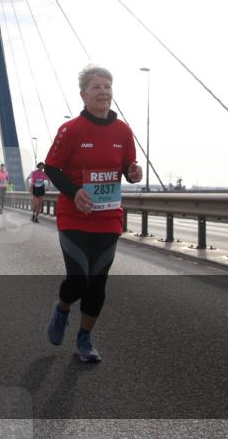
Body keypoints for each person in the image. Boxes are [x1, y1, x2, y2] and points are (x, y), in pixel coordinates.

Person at [43, 65, 142, 363]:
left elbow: (128, 166)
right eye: (97, 87)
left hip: (108, 217)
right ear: (84, 95)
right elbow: (52, 168)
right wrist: (75, 192)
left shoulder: (123, 130)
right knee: (79, 279)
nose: (103, 92)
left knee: (97, 282)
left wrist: (133, 172)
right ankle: (62, 309)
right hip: (74, 216)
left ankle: (84, 339)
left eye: (107, 87)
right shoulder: (71, 129)